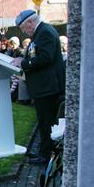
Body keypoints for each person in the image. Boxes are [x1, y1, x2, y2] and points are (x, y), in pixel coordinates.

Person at [11, 10, 65, 165]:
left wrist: (23, 63)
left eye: (23, 28)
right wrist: (23, 59)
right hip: (43, 86)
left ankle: (46, 154)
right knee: (43, 121)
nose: (23, 31)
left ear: (30, 22)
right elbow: (36, 55)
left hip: (48, 87)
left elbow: (45, 58)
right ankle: (43, 150)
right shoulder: (40, 32)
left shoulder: (45, 32)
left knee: (46, 121)